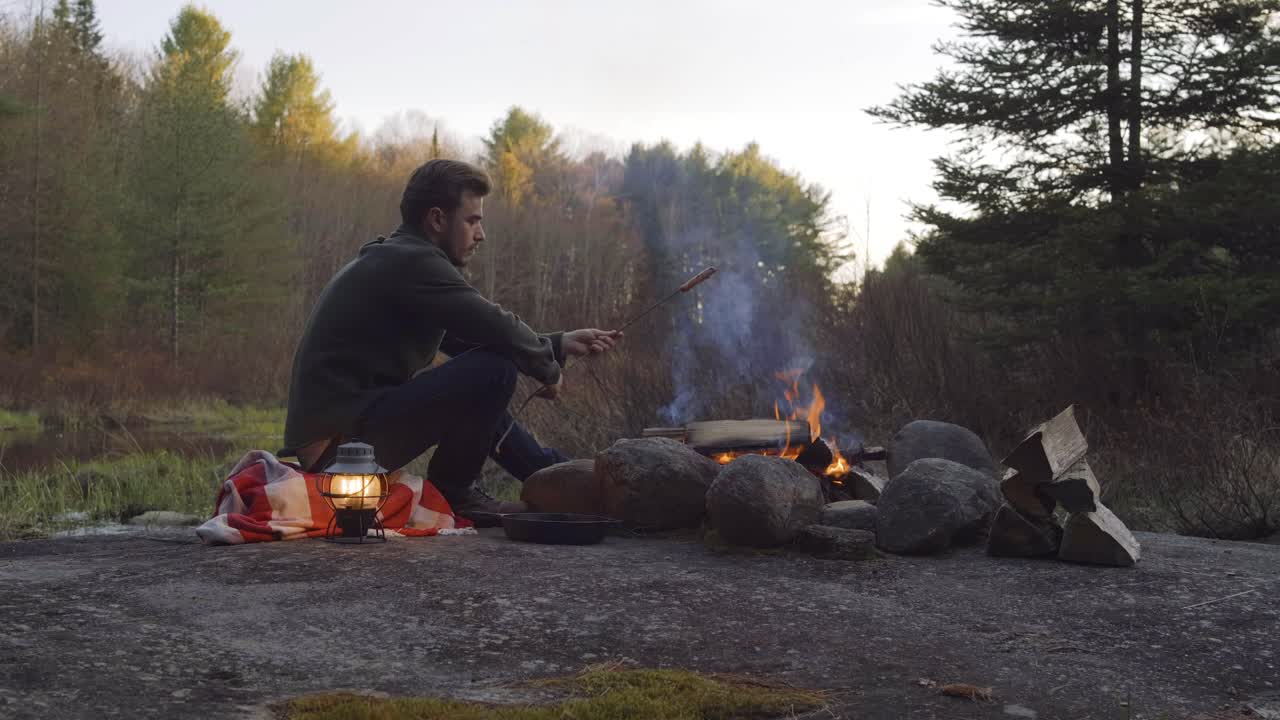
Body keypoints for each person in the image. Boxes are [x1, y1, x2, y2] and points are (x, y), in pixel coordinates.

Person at [280, 159, 620, 524]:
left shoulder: (400, 259)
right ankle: (456, 493)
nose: (481, 234)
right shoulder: (411, 261)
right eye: (472, 220)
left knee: (484, 373)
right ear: (437, 219)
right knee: (492, 370)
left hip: (349, 434)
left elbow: (467, 339)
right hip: (339, 451)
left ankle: (551, 476)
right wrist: (547, 370)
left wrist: (557, 344)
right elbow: (493, 324)